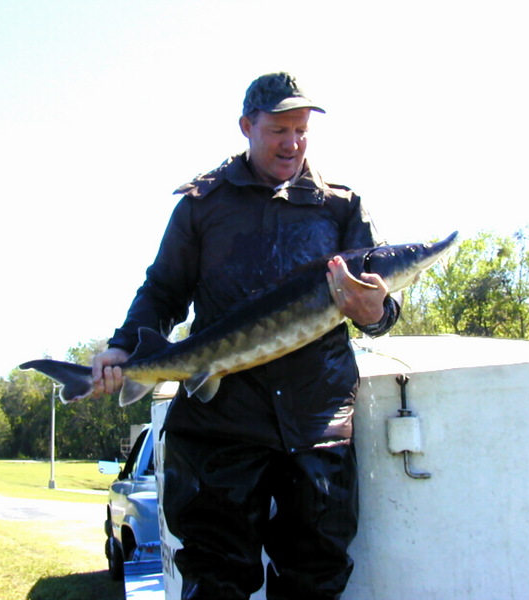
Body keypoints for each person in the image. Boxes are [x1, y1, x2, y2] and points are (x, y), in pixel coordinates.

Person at [91, 72, 400, 600]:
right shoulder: (202, 204)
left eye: (302, 129)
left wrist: (377, 311)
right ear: (246, 127)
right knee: (216, 579)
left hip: (317, 423)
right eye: (280, 129)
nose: (293, 142)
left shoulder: (340, 206)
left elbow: (381, 306)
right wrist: (123, 344)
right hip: (220, 427)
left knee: (316, 577)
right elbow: (163, 291)